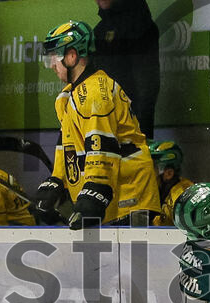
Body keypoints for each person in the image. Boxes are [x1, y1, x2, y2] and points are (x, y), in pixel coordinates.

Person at [33, 20, 160, 229]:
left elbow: (102, 147)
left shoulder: (95, 94)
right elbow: (68, 146)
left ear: (72, 56)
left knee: (131, 261)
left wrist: (96, 190)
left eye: (53, 58)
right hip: (113, 197)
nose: (52, 66)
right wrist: (57, 180)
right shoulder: (68, 96)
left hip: (130, 197)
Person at [86, 0, 160, 138]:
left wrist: (142, 130)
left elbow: (147, 83)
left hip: (130, 122)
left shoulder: (139, 23)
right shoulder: (100, 30)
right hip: (106, 121)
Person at [148, 139, 192, 226]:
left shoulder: (182, 196)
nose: (148, 172)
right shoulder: (160, 188)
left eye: (154, 167)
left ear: (169, 173)